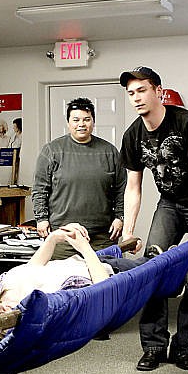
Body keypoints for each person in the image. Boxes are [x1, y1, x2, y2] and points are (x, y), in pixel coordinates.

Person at [119, 66, 188, 371]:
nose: (136, 98)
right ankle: (154, 345)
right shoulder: (133, 135)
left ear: (158, 92)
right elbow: (133, 188)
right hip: (170, 204)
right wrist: (128, 233)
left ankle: (183, 345)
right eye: (131, 93)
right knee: (152, 271)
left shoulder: (187, 122)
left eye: (142, 90)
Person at [0, 223, 148, 315]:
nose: (0, 310)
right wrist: (83, 246)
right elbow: (103, 288)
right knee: (152, 266)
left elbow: (33, 269)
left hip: (79, 260)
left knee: (128, 251)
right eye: (2, 315)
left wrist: (53, 238)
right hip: (104, 269)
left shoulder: (3, 286)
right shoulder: (51, 298)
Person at [32, 97, 126, 259]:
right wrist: (41, 218)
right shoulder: (51, 151)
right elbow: (40, 189)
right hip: (64, 236)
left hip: (102, 237)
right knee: (62, 281)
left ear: (93, 122)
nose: (81, 124)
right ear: (68, 123)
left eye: (86, 119)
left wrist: (120, 217)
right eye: (76, 120)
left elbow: (122, 189)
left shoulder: (109, 152)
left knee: (105, 279)